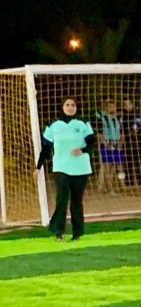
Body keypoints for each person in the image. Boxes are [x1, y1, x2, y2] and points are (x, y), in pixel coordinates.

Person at [37, 97, 96, 241]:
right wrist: (38, 166)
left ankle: (77, 233)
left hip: (81, 168)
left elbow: (92, 143)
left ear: (76, 107)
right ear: (62, 106)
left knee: (76, 201)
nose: (70, 107)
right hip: (61, 168)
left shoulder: (83, 123)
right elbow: (46, 148)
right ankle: (59, 231)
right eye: (67, 104)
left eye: (73, 105)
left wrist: (82, 150)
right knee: (62, 199)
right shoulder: (53, 125)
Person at [94, 98, 125, 191]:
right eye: (110, 106)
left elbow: (122, 133)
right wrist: (105, 144)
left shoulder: (118, 118)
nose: (113, 108)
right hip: (106, 144)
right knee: (106, 166)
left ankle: (121, 185)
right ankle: (108, 188)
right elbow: (99, 134)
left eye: (114, 106)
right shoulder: (101, 118)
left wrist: (120, 145)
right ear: (106, 108)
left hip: (116, 144)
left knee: (118, 166)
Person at [120, 98, 141, 186]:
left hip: (138, 143)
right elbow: (121, 129)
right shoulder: (122, 116)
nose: (126, 106)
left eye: (128, 104)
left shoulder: (138, 114)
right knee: (128, 164)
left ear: (132, 104)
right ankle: (129, 183)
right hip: (127, 143)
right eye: (125, 105)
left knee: (140, 163)